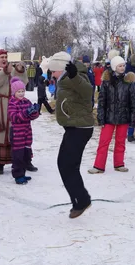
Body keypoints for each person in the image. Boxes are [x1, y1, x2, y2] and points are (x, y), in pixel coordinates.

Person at [49, 51, 94, 219]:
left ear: (62, 68)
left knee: (67, 165)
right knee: (66, 164)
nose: (52, 74)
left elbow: (88, 91)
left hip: (80, 127)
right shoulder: (65, 79)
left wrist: (75, 77)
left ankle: (81, 201)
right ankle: (81, 199)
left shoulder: (77, 76)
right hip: (73, 126)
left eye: (54, 70)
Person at [88, 56, 135, 174]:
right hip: (108, 117)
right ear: (115, 67)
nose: (122, 68)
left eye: (123, 65)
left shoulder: (129, 83)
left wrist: (133, 118)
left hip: (123, 116)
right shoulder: (106, 82)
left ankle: (119, 163)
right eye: (120, 66)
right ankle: (99, 166)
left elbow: (134, 102)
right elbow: (101, 102)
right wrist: (101, 117)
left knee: (120, 141)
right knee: (104, 141)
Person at [8, 77, 40, 184]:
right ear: (14, 92)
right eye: (19, 92)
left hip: (27, 132)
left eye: (23, 91)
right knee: (18, 155)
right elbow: (14, 118)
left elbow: (32, 117)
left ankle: (23, 173)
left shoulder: (27, 101)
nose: (21, 94)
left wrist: (35, 111)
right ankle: (18, 175)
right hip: (17, 133)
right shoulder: (12, 103)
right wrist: (26, 113)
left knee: (26, 154)